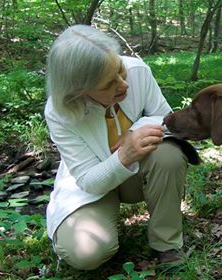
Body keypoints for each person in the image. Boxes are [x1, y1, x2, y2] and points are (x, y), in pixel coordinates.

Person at [44, 24, 196, 270]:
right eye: (108, 85)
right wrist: (123, 156)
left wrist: (134, 133)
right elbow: (87, 179)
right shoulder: (60, 113)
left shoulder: (137, 71)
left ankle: (167, 246)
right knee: (86, 254)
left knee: (168, 155)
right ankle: (90, 225)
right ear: (79, 92)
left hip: (135, 177)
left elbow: (164, 116)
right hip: (91, 184)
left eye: (120, 71)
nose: (123, 85)